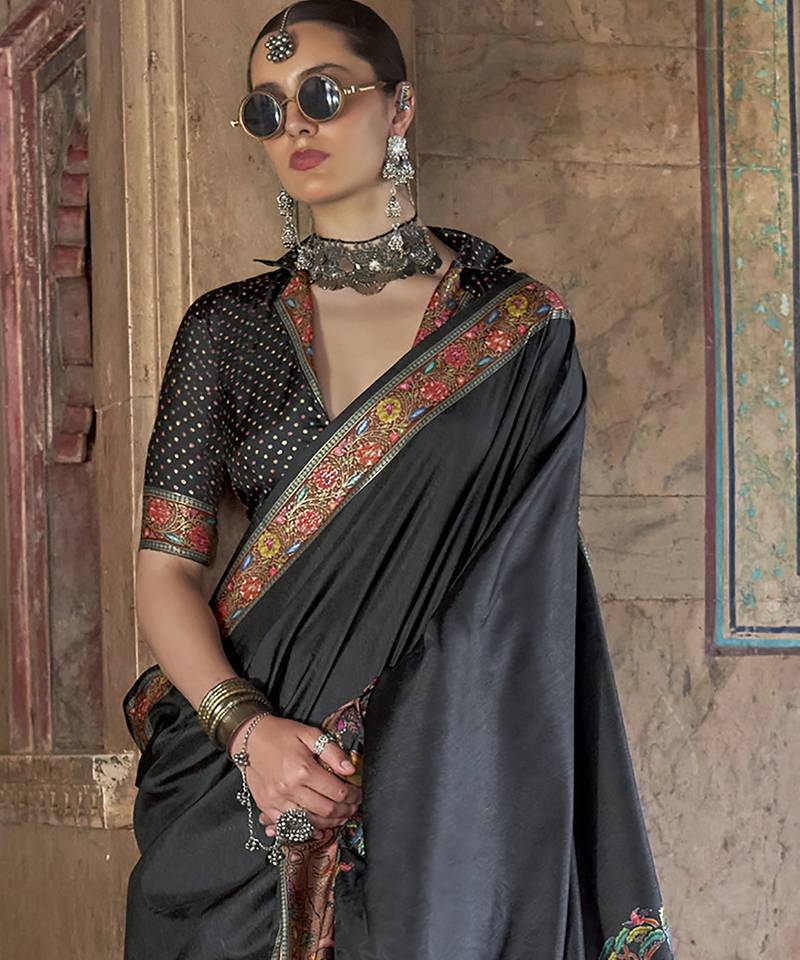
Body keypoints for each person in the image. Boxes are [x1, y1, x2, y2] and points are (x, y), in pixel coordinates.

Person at [122, 2, 675, 958]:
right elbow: (165, 570)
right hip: (236, 802)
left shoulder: (517, 336)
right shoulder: (223, 332)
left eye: (323, 94)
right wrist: (247, 733)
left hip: (449, 796)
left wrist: (402, 756)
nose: (294, 126)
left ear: (400, 107)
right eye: (266, 108)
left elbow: (521, 600)